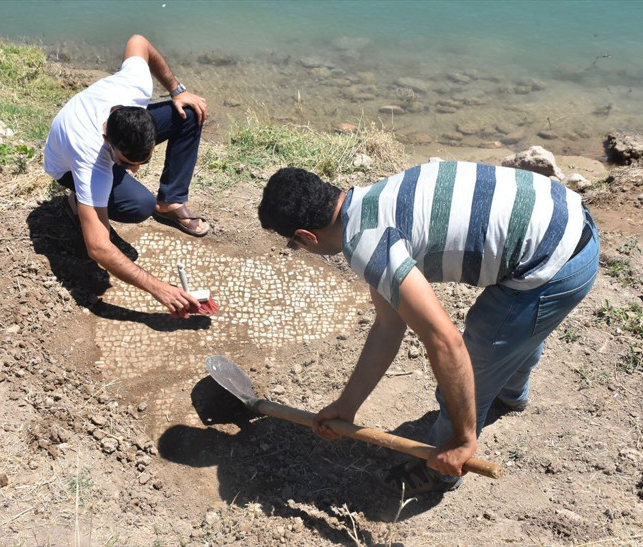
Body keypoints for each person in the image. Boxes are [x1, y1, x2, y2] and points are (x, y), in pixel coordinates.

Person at [258, 160, 599, 496]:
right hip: (566, 213)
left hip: (556, 261)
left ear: (306, 236)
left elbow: (445, 342)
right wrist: (347, 405)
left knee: (476, 362)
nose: (298, 248)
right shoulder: (370, 201)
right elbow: (389, 325)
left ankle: (443, 468)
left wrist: (463, 438)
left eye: (294, 244)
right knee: (511, 330)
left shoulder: (369, 246)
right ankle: (509, 396)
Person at [44, 34, 209, 315]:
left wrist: (176, 89)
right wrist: (160, 288)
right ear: (109, 142)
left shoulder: (135, 86)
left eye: (142, 163)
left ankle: (170, 202)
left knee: (189, 113)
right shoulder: (91, 162)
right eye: (128, 162)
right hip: (66, 163)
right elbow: (98, 247)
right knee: (139, 205)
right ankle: (76, 204)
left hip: (111, 129)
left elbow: (139, 41)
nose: (134, 170)